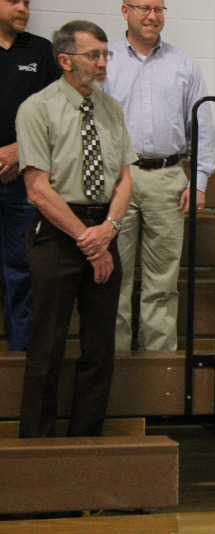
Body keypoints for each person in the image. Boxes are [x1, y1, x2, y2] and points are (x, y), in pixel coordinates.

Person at [15, 20, 136, 437]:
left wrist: (108, 229)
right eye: (94, 55)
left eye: (106, 54)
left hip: (103, 226)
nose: (103, 63)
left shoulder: (111, 107)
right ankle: (37, 451)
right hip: (57, 233)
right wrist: (88, 241)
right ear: (65, 61)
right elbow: (37, 189)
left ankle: (87, 444)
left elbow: (126, 178)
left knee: (100, 350)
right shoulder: (37, 108)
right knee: (47, 347)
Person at [105, 0, 215, 351]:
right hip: (117, 179)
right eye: (143, 8)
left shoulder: (184, 65)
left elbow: (201, 127)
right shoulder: (103, 61)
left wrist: (198, 180)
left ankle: (159, 374)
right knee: (115, 281)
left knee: (162, 282)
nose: (152, 16)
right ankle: (116, 369)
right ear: (125, 11)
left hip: (169, 177)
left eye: (159, 8)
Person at [0, 0, 60, 351]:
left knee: (22, 270)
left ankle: (20, 356)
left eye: (27, 2)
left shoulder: (42, 51)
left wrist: (20, 150)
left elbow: (58, 114)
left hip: (24, 181)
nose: (22, 8)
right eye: (13, 1)